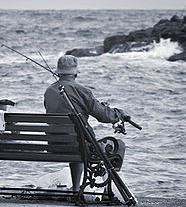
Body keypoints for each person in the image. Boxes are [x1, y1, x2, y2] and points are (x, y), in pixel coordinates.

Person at [44, 55, 127, 191]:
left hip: (55, 145)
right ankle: (110, 190)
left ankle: (76, 188)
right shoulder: (82, 91)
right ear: (76, 72)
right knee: (119, 145)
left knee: (75, 140)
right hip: (78, 146)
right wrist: (118, 114)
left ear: (58, 72)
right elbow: (104, 115)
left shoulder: (49, 91)